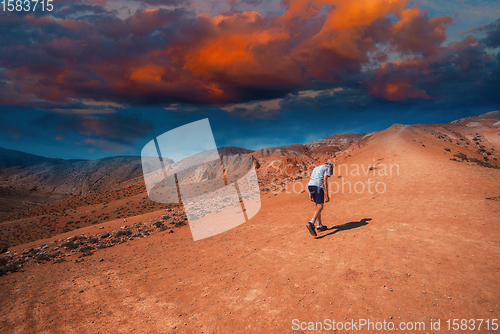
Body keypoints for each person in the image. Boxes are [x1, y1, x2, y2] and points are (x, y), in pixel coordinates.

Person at [306, 161, 334, 236]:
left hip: (310, 186)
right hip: (318, 186)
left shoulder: (316, 168)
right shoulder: (326, 168)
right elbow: (324, 180)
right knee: (320, 206)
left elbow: (311, 178)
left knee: (317, 205)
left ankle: (319, 225)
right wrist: (326, 194)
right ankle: (311, 223)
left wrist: (309, 192)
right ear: (330, 166)